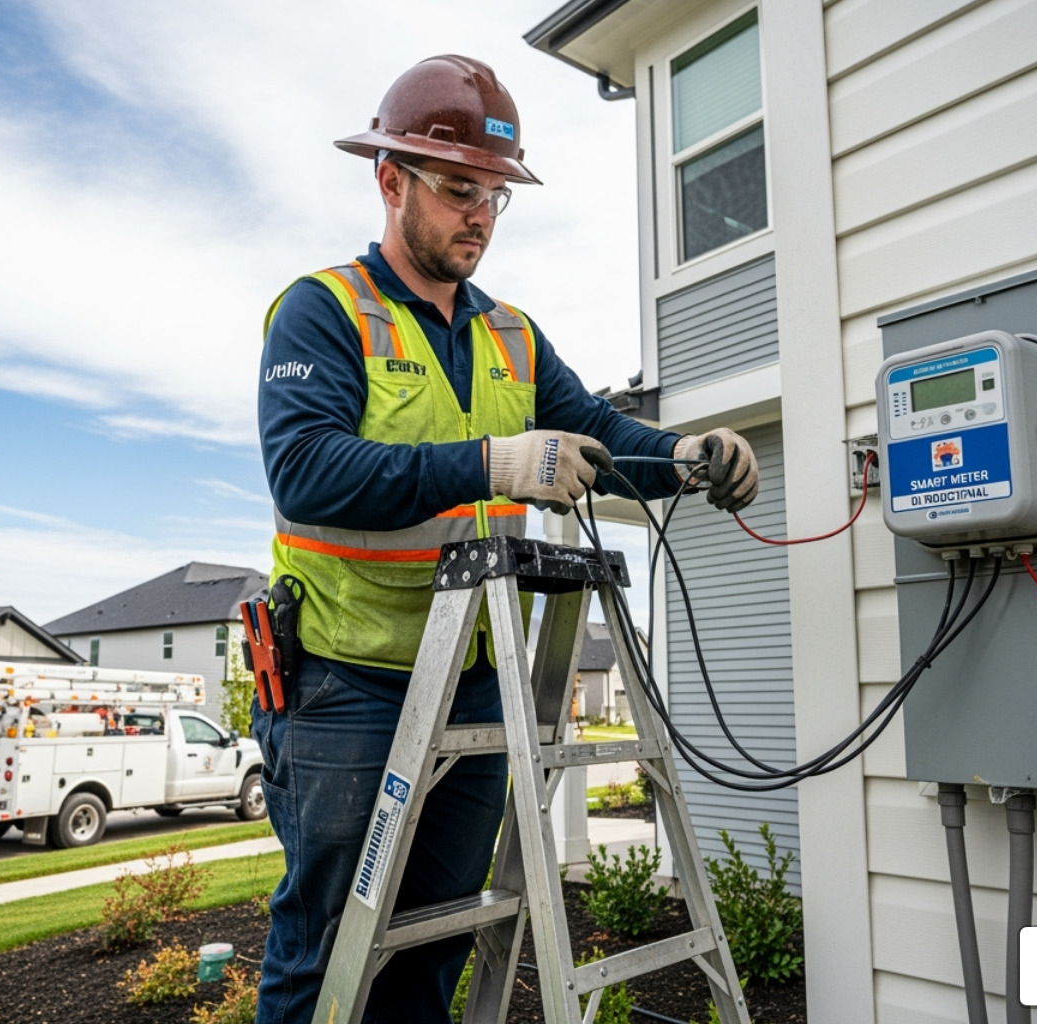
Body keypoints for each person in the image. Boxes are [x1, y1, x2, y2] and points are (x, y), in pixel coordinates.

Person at [253, 54, 758, 1024]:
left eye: (494, 196)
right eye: (456, 191)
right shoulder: (324, 311)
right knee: (325, 947)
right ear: (390, 178)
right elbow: (308, 470)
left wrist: (689, 454)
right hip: (344, 681)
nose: (478, 215)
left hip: (475, 677)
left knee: (436, 937)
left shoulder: (514, 337)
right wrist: (489, 463)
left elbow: (607, 442)